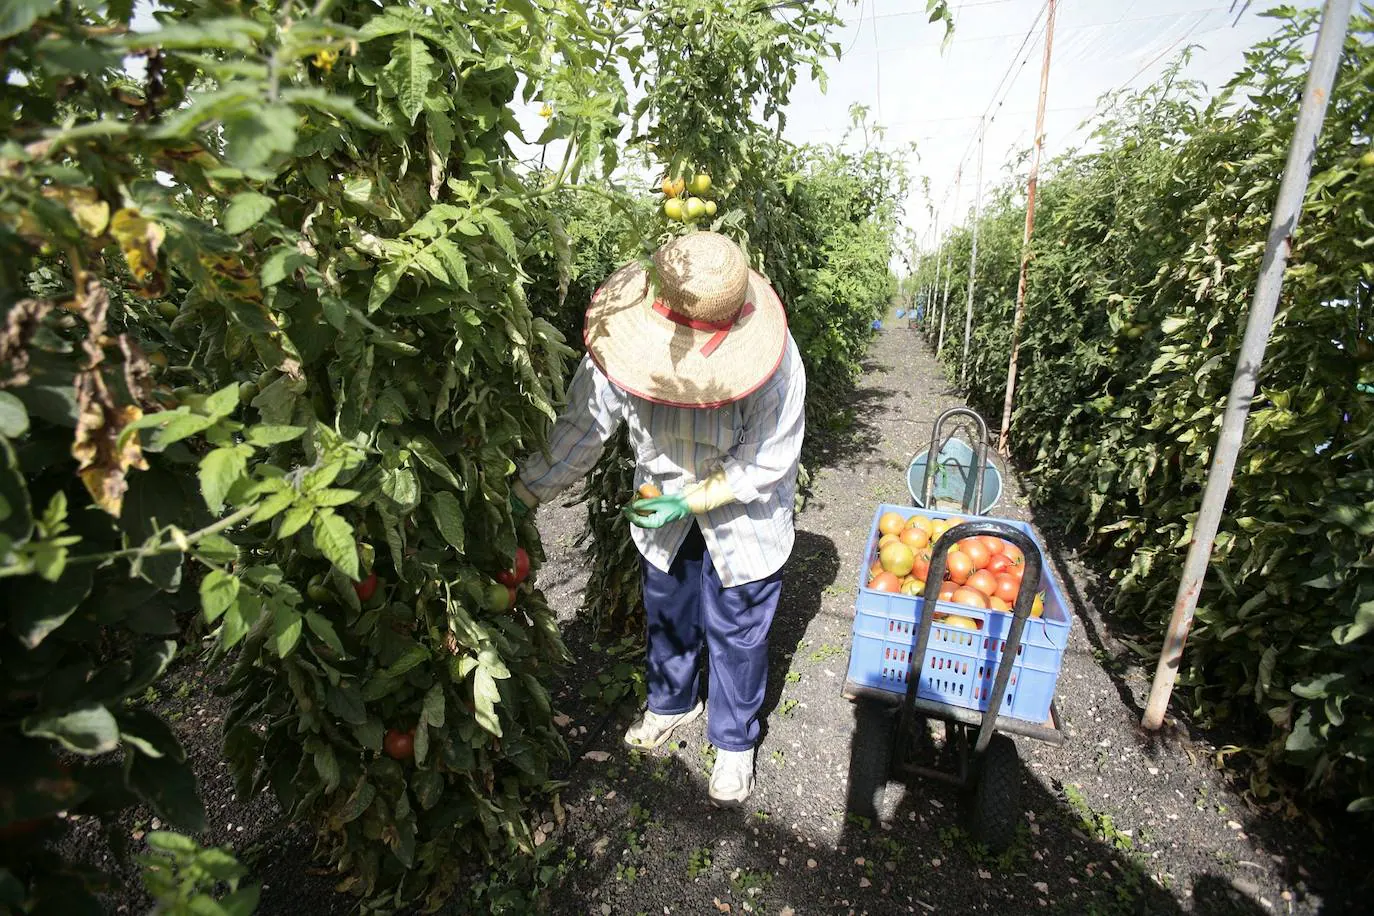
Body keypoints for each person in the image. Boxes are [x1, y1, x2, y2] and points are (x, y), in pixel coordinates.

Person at [510, 231, 805, 807]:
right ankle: (672, 702)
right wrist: (522, 492)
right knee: (668, 606)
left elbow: (769, 459)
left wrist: (691, 501)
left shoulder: (775, 361)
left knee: (738, 624)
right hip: (660, 497)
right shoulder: (625, 344)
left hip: (744, 512)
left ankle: (733, 741)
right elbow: (583, 429)